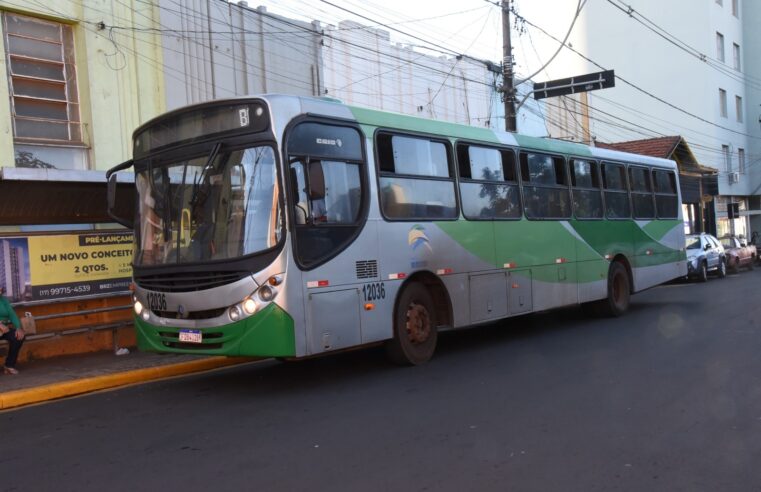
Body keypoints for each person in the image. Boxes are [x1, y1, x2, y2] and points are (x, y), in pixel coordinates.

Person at [0, 287, 24, 375]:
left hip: (4, 330)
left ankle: (9, 365)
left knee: (18, 337)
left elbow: (12, 314)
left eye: (0, 288)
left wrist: (18, 328)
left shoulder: (4, 300)